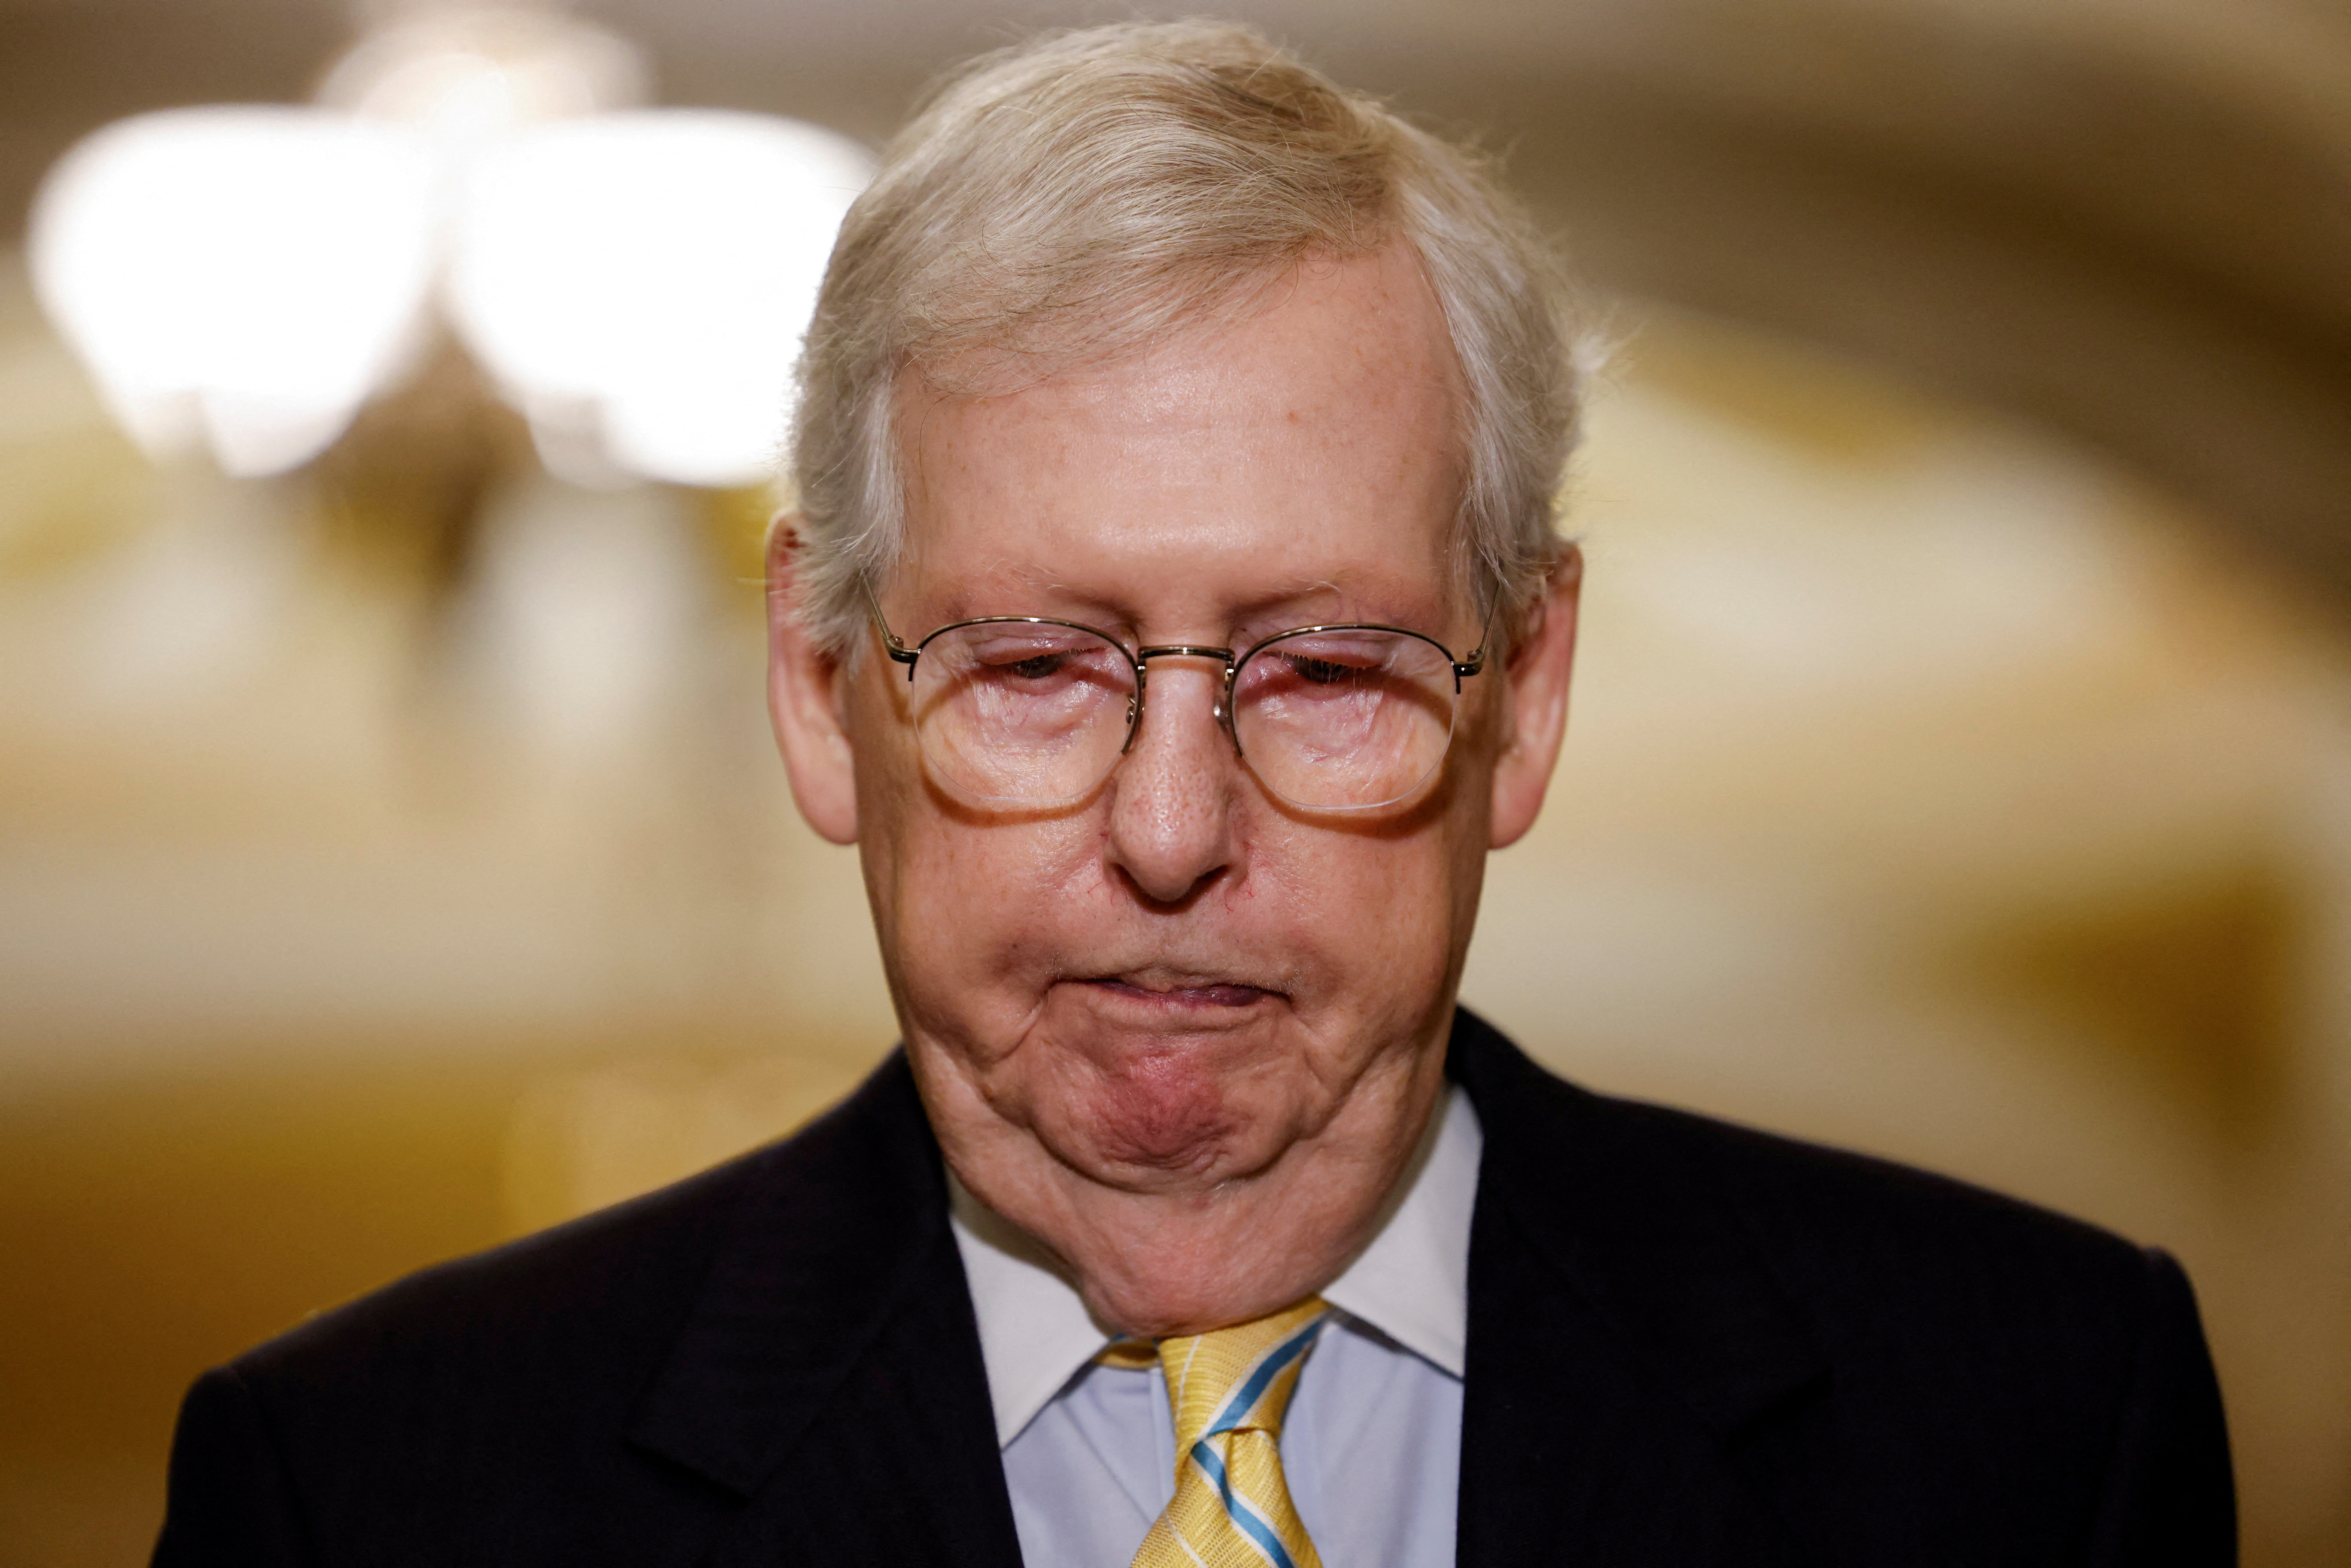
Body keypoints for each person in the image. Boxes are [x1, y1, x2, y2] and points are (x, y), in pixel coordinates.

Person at [152, 21, 2233, 1568]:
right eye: (1032, 668)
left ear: (1524, 697)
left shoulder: (2031, 1427)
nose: (1168, 832)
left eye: (1324, 668)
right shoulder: (375, 1495)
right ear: (817, 694)